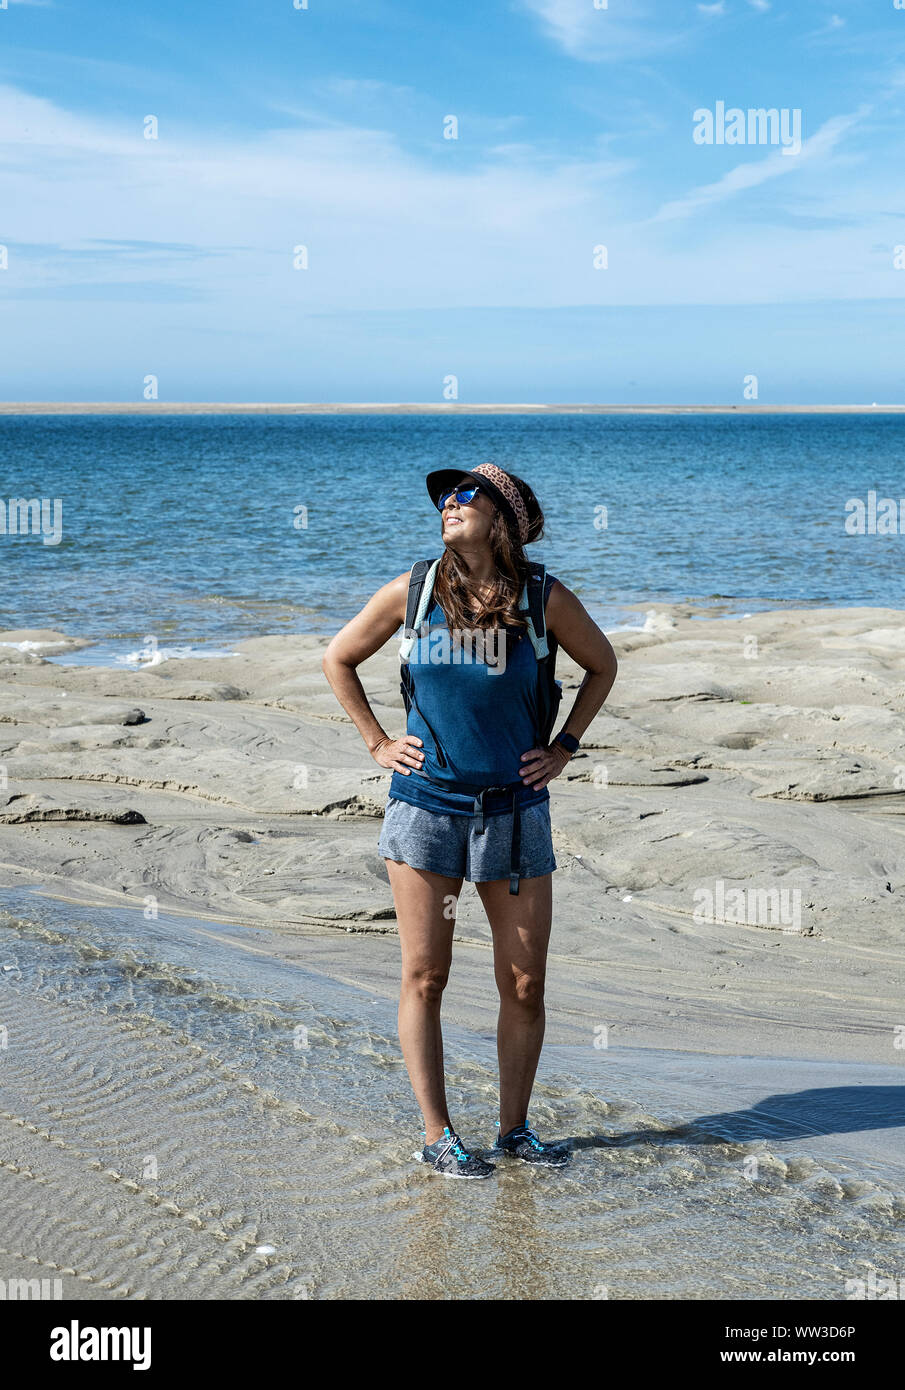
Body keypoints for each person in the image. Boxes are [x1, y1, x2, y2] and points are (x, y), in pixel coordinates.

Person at [322, 462, 617, 1178]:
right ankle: (437, 1134)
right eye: (445, 499)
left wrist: (564, 747)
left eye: (466, 496)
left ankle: (513, 1130)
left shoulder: (543, 597)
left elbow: (602, 665)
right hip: (427, 809)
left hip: (515, 815)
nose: (449, 505)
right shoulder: (414, 591)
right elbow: (339, 658)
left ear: (504, 519)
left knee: (524, 985)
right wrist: (376, 742)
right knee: (425, 975)